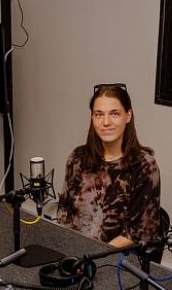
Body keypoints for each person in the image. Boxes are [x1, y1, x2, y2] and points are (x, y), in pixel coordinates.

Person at [57, 83, 161, 248]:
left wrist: (94, 256)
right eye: (99, 114)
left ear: (128, 116)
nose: (106, 122)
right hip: (74, 250)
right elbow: (64, 214)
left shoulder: (144, 166)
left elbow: (139, 232)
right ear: (92, 118)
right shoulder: (77, 158)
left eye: (114, 114)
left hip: (115, 256)